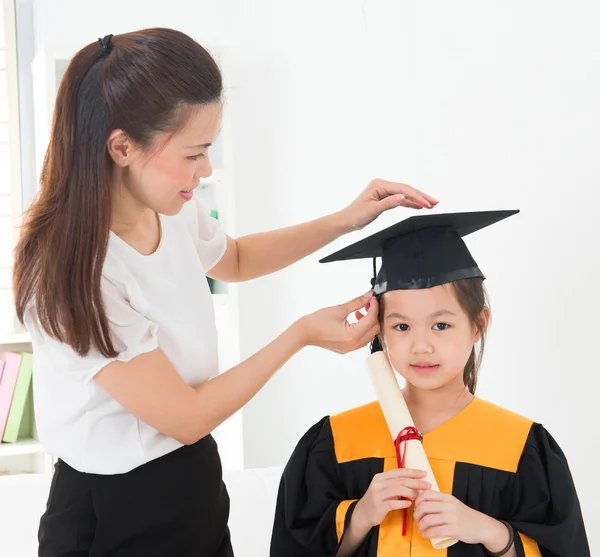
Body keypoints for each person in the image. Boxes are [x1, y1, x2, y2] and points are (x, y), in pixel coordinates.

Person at [11, 28, 438, 557]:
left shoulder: (169, 206)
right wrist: (301, 334)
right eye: (194, 153)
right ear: (122, 147)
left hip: (193, 485)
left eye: (209, 149)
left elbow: (232, 258)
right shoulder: (76, 272)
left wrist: (346, 221)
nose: (205, 170)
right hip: (112, 513)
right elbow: (186, 418)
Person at [270, 210, 590, 557]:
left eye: (441, 325)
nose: (421, 346)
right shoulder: (336, 441)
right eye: (402, 327)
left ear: (478, 323)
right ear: (380, 329)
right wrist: (359, 516)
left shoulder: (520, 446)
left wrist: (490, 531)